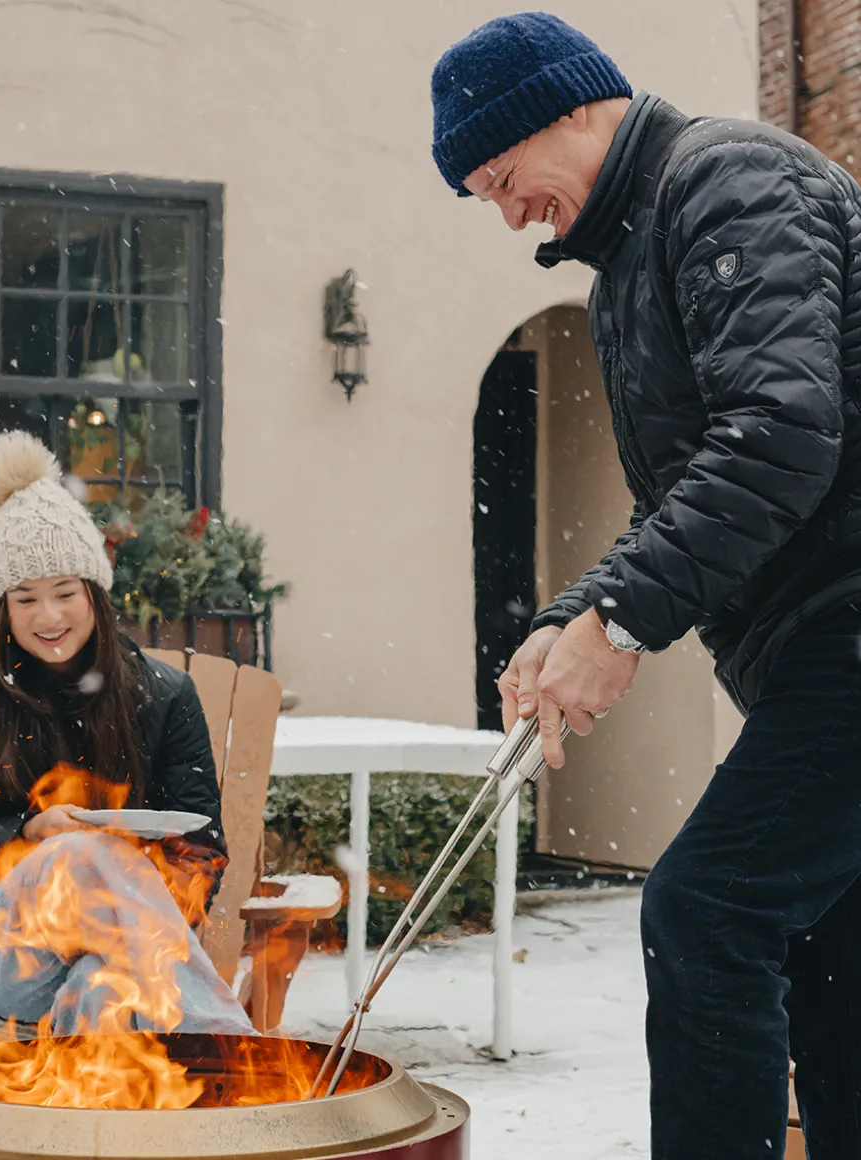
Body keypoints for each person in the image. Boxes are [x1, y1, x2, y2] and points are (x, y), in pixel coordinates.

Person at [433, 12, 861, 1159]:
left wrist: (622, 617)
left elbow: (780, 432)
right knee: (824, 954)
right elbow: (693, 484)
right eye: (479, 193)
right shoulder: (630, 257)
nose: (502, 207)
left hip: (847, 629)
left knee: (707, 906)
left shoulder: (723, 180)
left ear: (568, 105)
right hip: (805, 649)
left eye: (501, 173)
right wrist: (576, 613)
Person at [0, 429, 252, 1037]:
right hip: (1, 954)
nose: (49, 617)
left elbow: (203, 849)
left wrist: (132, 868)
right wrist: (25, 835)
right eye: (25, 598)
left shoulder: (163, 697)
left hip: (126, 952)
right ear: (2, 608)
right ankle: (224, 1042)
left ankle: (82, 1133)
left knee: (101, 985)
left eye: (65, 592)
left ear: (94, 593)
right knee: (79, 850)